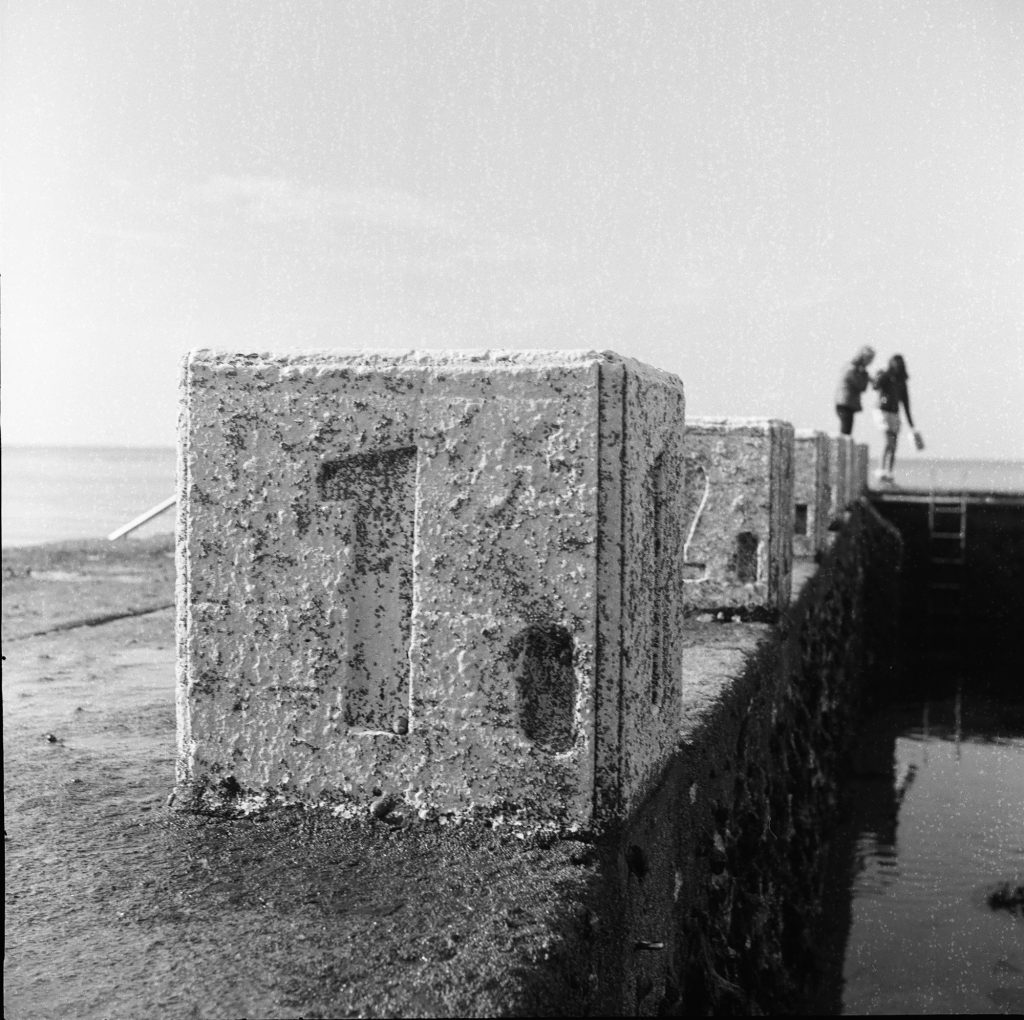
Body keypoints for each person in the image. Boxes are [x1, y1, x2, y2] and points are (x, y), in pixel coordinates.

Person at [872, 354, 919, 480]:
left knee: (894, 445)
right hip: (882, 411)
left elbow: (906, 404)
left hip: (894, 413)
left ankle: (889, 472)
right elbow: (875, 386)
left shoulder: (902, 383)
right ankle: (881, 469)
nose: (898, 366)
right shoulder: (886, 376)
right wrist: (881, 375)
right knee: (889, 442)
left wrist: (911, 424)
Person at [834, 346, 875, 435]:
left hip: (844, 402)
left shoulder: (854, 368)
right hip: (845, 403)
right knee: (845, 432)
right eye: (869, 359)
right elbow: (861, 386)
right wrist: (866, 376)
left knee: (846, 431)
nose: (870, 362)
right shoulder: (853, 369)